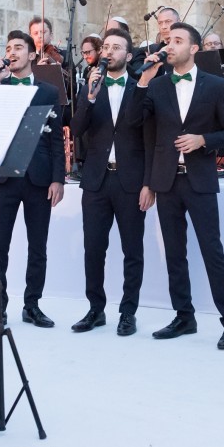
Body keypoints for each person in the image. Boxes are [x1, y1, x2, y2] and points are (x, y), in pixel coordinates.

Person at [126, 22, 224, 350]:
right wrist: (143, 82)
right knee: (174, 253)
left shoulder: (215, 85)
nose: (170, 45)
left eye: (178, 41)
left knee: (212, 250)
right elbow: (137, 126)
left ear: (194, 48)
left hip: (200, 180)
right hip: (166, 181)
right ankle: (184, 316)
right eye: (168, 40)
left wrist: (203, 140)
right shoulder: (157, 86)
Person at [69, 28, 155, 336]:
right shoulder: (91, 87)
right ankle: (96, 309)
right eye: (106, 46)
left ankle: (128, 312)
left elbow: (150, 139)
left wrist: (149, 183)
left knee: (132, 250)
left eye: (116, 47)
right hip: (96, 180)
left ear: (128, 56)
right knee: (94, 248)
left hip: (131, 181)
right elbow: (76, 129)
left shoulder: (142, 87)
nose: (109, 52)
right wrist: (90, 97)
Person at [0, 30, 66, 333]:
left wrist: (58, 179)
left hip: (39, 178)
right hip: (4, 178)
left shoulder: (48, 92)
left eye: (18, 47)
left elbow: (56, 139)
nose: (12, 52)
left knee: (37, 246)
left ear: (31, 54)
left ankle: (32, 305)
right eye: (8, 48)